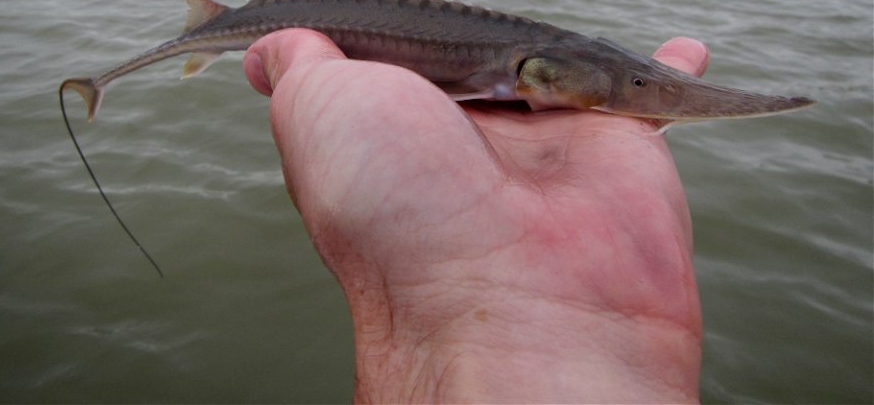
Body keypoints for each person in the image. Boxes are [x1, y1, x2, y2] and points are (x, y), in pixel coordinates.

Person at [243, 30, 705, 403]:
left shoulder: (533, 66)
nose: (638, 89)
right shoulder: (505, 73)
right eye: (639, 85)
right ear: (536, 71)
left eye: (636, 82)